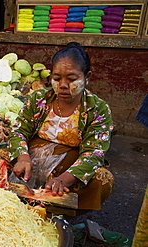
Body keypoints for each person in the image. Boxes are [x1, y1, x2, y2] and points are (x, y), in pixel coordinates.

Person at [9, 42, 114, 212]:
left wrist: (64, 179)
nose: (63, 85)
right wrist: (22, 157)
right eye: (57, 79)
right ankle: (18, 202)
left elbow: (94, 153)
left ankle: (60, 213)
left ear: (87, 77)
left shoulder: (98, 109)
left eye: (72, 79)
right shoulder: (38, 99)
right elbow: (19, 130)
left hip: (70, 163)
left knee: (103, 180)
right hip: (34, 158)